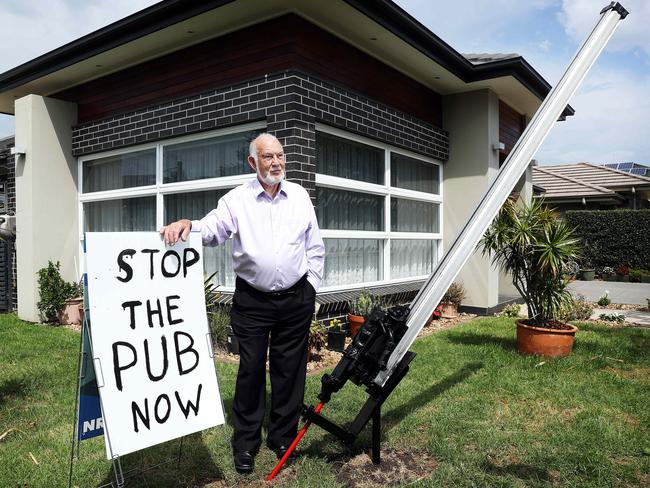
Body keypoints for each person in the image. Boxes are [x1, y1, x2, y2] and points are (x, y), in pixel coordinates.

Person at [160, 133, 325, 473]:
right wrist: (188, 225)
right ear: (253, 162)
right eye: (268, 157)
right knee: (250, 370)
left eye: (280, 156)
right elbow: (214, 229)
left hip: (296, 298)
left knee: (289, 370)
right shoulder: (237, 200)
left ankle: (282, 437)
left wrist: (311, 287)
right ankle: (246, 443)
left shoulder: (300, 196)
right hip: (252, 300)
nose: (276, 162)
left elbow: (315, 245)